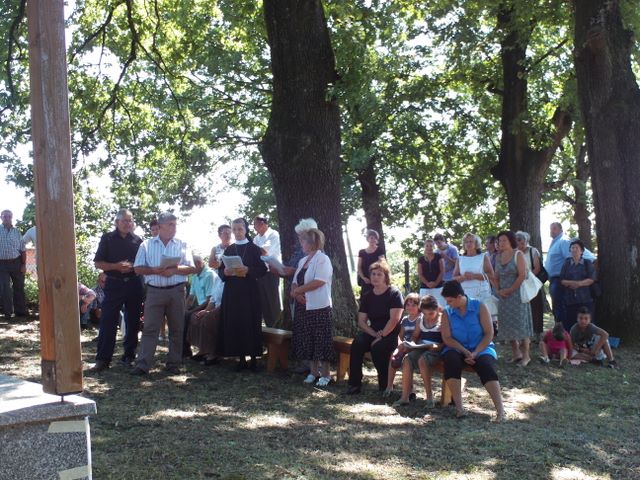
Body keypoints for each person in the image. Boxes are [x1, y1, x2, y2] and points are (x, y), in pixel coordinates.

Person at [130, 212, 196, 375]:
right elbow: (137, 268)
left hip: (177, 291)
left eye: (175, 224)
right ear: (160, 227)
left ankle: (174, 364)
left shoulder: (182, 244)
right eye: (171, 224)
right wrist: (155, 270)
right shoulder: (146, 245)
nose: (174, 228)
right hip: (154, 292)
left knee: (177, 328)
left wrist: (174, 269)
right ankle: (143, 365)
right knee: (150, 328)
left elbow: (191, 268)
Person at [440, 280, 505, 420]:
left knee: (486, 366)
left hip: (481, 348)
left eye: (450, 301)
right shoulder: (447, 312)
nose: (447, 304)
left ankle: (500, 411)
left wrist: (475, 352)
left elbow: (489, 333)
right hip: (457, 349)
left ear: (459, 297)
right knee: (450, 360)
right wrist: (464, 351)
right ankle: (459, 408)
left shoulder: (479, 306)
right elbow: (447, 338)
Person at [92, 209, 144, 371]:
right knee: (108, 321)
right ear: (117, 222)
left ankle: (129, 355)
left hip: (134, 283)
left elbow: (144, 264)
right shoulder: (107, 238)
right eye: (125, 221)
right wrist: (116, 266)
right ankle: (103, 359)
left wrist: (134, 267)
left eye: (130, 220)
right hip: (114, 284)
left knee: (133, 321)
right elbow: (98, 263)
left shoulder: (138, 240)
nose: (128, 223)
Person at [346, 260, 404, 395]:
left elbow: (394, 319)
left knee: (378, 347)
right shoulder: (367, 296)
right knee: (357, 343)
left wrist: (382, 336)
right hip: (374, 332)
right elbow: (361, 321)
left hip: (391, 333)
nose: (375, 277)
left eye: (379, 274)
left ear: (385, 277)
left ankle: (385, 385)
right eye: (373, 274)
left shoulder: (394, 293)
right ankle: (354, 384)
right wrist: (374, 334)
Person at [217, 218, 267, 371]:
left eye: (240, 229)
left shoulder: (254, 249)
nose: (237, 232)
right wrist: (225, 272)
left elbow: (263, 269)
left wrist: (248, 270)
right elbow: (221, 270)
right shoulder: (229, 249)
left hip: (249, 291)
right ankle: (241, 359)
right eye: (234, 229)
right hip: (232, 292)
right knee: (236, 322)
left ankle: (253, 359)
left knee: (250, 323)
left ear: (245, 230)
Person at [291, 228, 334, 387]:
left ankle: (326, 374)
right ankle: (313, 372)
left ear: (312, 243)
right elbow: (295, 281)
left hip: (319, 306)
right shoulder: (303, 261)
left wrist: (298, 291)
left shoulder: (323, 259)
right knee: (308, 339)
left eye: (303, 240)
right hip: (303, 306)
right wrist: (296, 294)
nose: (301, 243)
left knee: (321, 340)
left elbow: (319, 281)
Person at [394, 295, 443, 408]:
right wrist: (410, 344)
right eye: (425, 314)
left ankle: (429, 398)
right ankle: (405, 397)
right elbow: (415, 336)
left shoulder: (442, 320)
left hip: (436, 350)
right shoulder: (420, 319)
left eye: (431, 314)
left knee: (422, 360)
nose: (428, 317)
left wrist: (436, 346)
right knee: (407, 359)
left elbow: (446, 340)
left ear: (436, 309)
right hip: (422, 347)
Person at [545, 222, 595, 327]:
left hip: (562, 281)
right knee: (558, 307)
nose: (551, 231)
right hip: (558, 280)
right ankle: (561, 331)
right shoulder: (556, 242)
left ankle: (563, 331)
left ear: (560, 230)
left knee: (561, 308)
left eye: (554, 228)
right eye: (550, 228)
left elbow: (574, 258)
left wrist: (576, 282)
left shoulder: (563, 241)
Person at [494, 230, 533, 366]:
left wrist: (510, 290)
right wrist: (499, 290)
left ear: (511, 241)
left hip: (517, 295)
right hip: (504, 296)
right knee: (507, 324)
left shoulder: (518, 254)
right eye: (499, 240)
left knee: (521, 325)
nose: (501, 243)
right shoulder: (498, 257)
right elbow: (496, 276)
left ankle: (526, 356)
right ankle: (516, 353)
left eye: (504, 240)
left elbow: (522, 275)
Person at [382, 293, 421, 397]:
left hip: (415, 346)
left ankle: (410, 389)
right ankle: (389, 386)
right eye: (408, 305)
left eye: (413, 305)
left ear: (419, 306)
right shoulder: (405, 319)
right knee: (393, 356)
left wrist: (406, 346)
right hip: (404, 345)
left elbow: (416, 336)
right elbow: (400, 335)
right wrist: (400, 344)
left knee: (406, 361)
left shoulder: (420, 319)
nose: (410, 307)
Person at [188, 267, 224, 365]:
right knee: (195, 317)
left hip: (225, 309)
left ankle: (214, 353)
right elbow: (212, 299)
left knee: (208, 319)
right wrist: (205, 310)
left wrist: (209, 312)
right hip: (214, 308)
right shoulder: (218, 279)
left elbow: (226, 301)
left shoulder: (230, 280)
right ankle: (203, 350)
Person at [182, 255, 215, 358]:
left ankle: (185, 349)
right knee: (182, 315)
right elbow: (191, 297)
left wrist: (190, 312)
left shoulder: (209, 275)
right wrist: (184, 309)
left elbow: (210, 299)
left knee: (187, 316)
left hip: (211, 307)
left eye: (191, 265)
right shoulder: (195, 276)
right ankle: (184, 349)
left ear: (199, 264)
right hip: (201, 306)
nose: (190, 268)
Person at [452, 233, 495, 312]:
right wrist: (463, 277)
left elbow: (491, 275)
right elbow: (454, 278)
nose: (468, 244)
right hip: (465, 295)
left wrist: (474, 276)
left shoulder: (483, 257)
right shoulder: (460, 259)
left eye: (471, 241)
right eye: (466, 242)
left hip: (482, 294)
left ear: (476, 243)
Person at [560, 239, 596, 332]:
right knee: (570, 322)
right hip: (570, 299)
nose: (574, 250)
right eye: (572, 248)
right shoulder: (567, 263)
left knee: (587, 322)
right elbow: (562, 280)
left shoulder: (587, 263)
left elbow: (591, 279)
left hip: (585, 298)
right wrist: (571, 283)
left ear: (582, 251)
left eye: (576, 248)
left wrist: (579, 284)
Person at [253, 215, 283, 327]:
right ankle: (269, 328)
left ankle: (278, 328)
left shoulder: (273, 234)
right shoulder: (256, 238)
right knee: (264, 303)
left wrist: (251, 248)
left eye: (255, 224)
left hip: (272, 272)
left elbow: (265, 252)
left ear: (262, 224)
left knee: (273, 302)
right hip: (260, 273)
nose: (254, 227)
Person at [515, 231, 545, 339]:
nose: (520, 245)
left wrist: (527, 277)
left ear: (526, 241)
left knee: (536, 308)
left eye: (522, 242)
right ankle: (525, 333)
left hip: (532, 283)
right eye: (518, 242)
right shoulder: (515, 253)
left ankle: (537, 333)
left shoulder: (533, 251)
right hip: (519, 284)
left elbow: (537, 268)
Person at [0, 210, 27, 319]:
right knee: (5, 288)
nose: (7, 218)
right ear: (1, 218)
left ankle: (20, 312)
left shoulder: (17, 232)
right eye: (5, 216)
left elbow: (23, 250)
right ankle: (8, 313)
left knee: (19, 287)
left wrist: (23, 264)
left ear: (12, 217)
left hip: (16, 263)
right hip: (2, 265)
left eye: (9, 216)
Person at [357, 229, 386, 297]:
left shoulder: (379, 250)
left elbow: (383, 264)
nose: (373, 240)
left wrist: (377, 277)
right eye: (371, 238)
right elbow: (359, 267)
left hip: (377, 279)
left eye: (375, 238)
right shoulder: (361, 252)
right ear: (368, 239)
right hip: (365, 280)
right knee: (365, 298)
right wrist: (363, 278)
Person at [417, 239, 445, 306]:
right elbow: (420, 274)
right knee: (424, 307)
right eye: (427, 246)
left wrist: (435, 283)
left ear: (433, 247)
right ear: (424, 247)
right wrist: (427, 283)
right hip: (425, 287)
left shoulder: (438, 257)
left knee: (440, 306)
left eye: (431, 246)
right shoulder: (421, 259)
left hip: (438, 287)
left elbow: (442, 271)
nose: (429, 248)